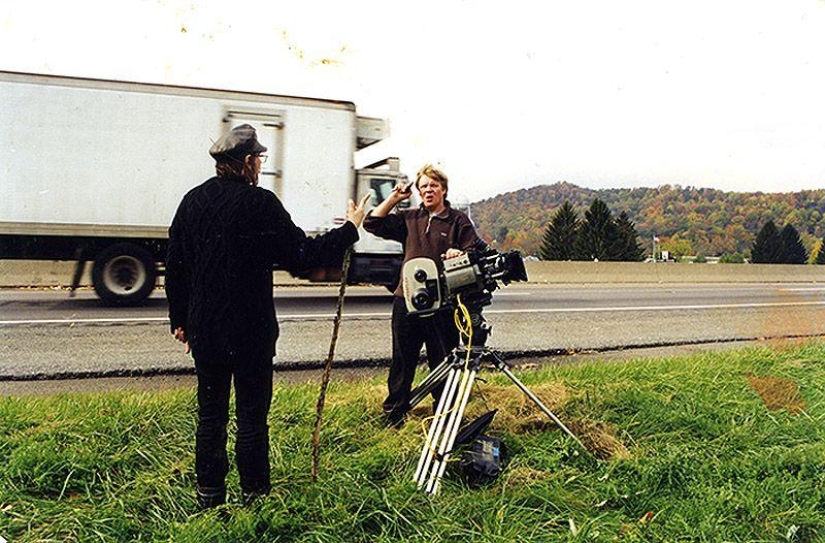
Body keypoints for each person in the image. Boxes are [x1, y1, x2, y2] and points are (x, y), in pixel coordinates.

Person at [166, 124, 369, 509]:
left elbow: (175, 266)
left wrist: (180, 318)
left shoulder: (190, 202)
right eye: (259, 158)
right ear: (246, 163)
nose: (260, 165)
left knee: (210, 416)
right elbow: (304, 257)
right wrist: (351, 229)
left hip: (205, 332)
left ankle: (209, 496)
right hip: (251, 335)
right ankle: (254, 497)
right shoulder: (260, 204)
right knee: (251, 418)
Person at [363, 164, 480, 427]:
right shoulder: (410, 217)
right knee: (402, 362)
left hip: (443, 304)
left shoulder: (457, 220)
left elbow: (474, 250)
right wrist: (394, 198)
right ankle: (394, 417)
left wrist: (459, 254)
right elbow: (372, 222)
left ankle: (444, 419)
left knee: (443, 362)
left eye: (433, 186)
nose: (428, 190)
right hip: (406, 300)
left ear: (444, 189)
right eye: (423, 186)